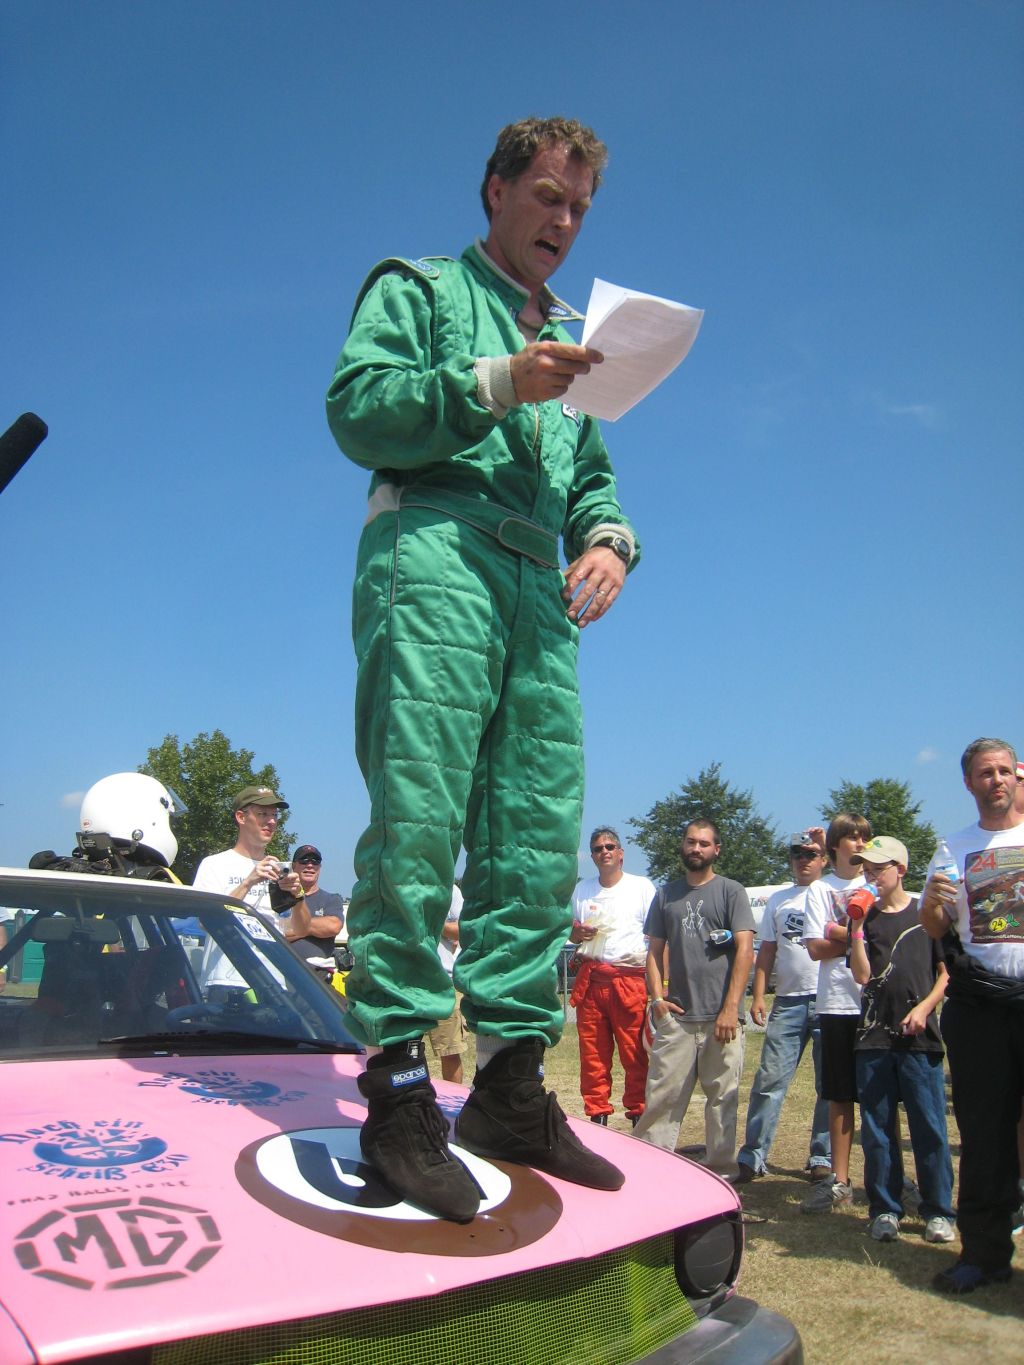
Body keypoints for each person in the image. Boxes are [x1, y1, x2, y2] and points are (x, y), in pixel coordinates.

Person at [325, 116, 640, 1221]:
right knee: (419, 814)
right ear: (496, 191)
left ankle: (508, 1086)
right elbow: (359, 408)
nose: (565, 220)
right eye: (548, 195)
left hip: (536, 586)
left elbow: (591, 473)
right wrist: (499, 380)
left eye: (580, 207)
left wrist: (608, 540)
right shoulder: (418, 288)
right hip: (436, 548)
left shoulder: (577, 339)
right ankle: (398, 1090)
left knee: (535, 834)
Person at [920, 737, 1024, 1294]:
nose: (996, 780)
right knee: (984, 1133)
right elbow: (935, 926)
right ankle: (984, 1254)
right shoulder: (952, 847)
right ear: (968, 783)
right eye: (986, 773)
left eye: (1004, 770)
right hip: (980, 1005)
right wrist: (931, 904)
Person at [847, 836, 954, 1244]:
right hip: (873, 1039)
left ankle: (938, 1211)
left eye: (878, 868)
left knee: (929, 1127)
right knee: (877, 1130)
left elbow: (946, 974)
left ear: (901, 870)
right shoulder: (866, 917)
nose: (871, 875)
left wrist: (924, 1008)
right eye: (866, 869)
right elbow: (861, 975)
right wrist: (857, 928)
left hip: (920, 1041)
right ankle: (885, 1209)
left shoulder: (926, 915)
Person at [633, 820, 755, 1175]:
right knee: (662, 1096)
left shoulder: (731, 891)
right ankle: (648, 1168)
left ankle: (721, 1171)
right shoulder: (665, 894)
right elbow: (655, 951)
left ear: (716, 849)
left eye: (703, 843)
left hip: (722, 1018)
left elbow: (745, 950)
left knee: (722, 1100)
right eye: (690, 842)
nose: (696, 848)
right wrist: (657, 1000)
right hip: (678, 1018)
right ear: (683, 846)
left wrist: (730, 1009)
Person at [735, 830, 831, 1183]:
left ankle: (822, 1156)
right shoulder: (778, 899)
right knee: (769, 1080)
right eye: (797, 854)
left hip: (828, 1001)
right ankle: (753, 1155)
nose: (804, 860)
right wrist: (759, 995)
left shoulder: (833, 893)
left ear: (824, 859)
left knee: (828, 1085)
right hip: (788, 1001)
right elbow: (767, 951)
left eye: (811, 854)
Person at [799, 812, 873, 1213]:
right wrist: (860, 936)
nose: (860, 844)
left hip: (876, 1001)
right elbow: (815, 948)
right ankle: (840, 1180)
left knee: (879, 1095)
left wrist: (837, 931)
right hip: (837, 1003)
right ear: (835, 845)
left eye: (864, 837)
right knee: (839, 1094)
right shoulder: (820, 889)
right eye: (852, 837)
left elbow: (885, 939)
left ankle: (886, 1176)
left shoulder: (877, 883)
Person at [569, 826, 656, 1125]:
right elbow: (570, 931)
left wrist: (662, 986)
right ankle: (598, 1116)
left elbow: (658, 937)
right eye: (597, 848)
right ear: (592, 856)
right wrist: (577, 932)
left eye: (609, 847)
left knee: (634, 1052)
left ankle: (639, 1115)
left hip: (628, 980)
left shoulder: (641, 887)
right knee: (592, 1053)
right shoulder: (582, 890)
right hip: (592, 980)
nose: (603, 852)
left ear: (620, 853)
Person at [193, 786, 308, 993]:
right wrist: (248, 882)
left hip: (273, 983)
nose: (271, 821)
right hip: (226, 981)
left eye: (275, 815)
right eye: (263, 814)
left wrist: (298, 895)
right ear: (241, 817)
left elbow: (299, 931)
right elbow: (204, 921)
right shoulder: (214, 864)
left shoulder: (278, 868)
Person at [427, 887, 468, 1084]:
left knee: (450, 1052)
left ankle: (454, 1100)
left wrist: (435, 924)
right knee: (406, 1051)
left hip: (443, 984)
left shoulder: (449, 888)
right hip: (407, 982)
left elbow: (465, 928)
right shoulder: (399, 881)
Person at [285, 844, 345, 968]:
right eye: (304, 860)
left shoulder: (332, 899)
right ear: (293, 866)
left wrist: (295, 927)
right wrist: (314, 928)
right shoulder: (280, 898)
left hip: (317, 974)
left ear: (320, 867)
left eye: (315, 861)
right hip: (283, 971)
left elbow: (333, 926)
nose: (310, 865)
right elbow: (273, 932)